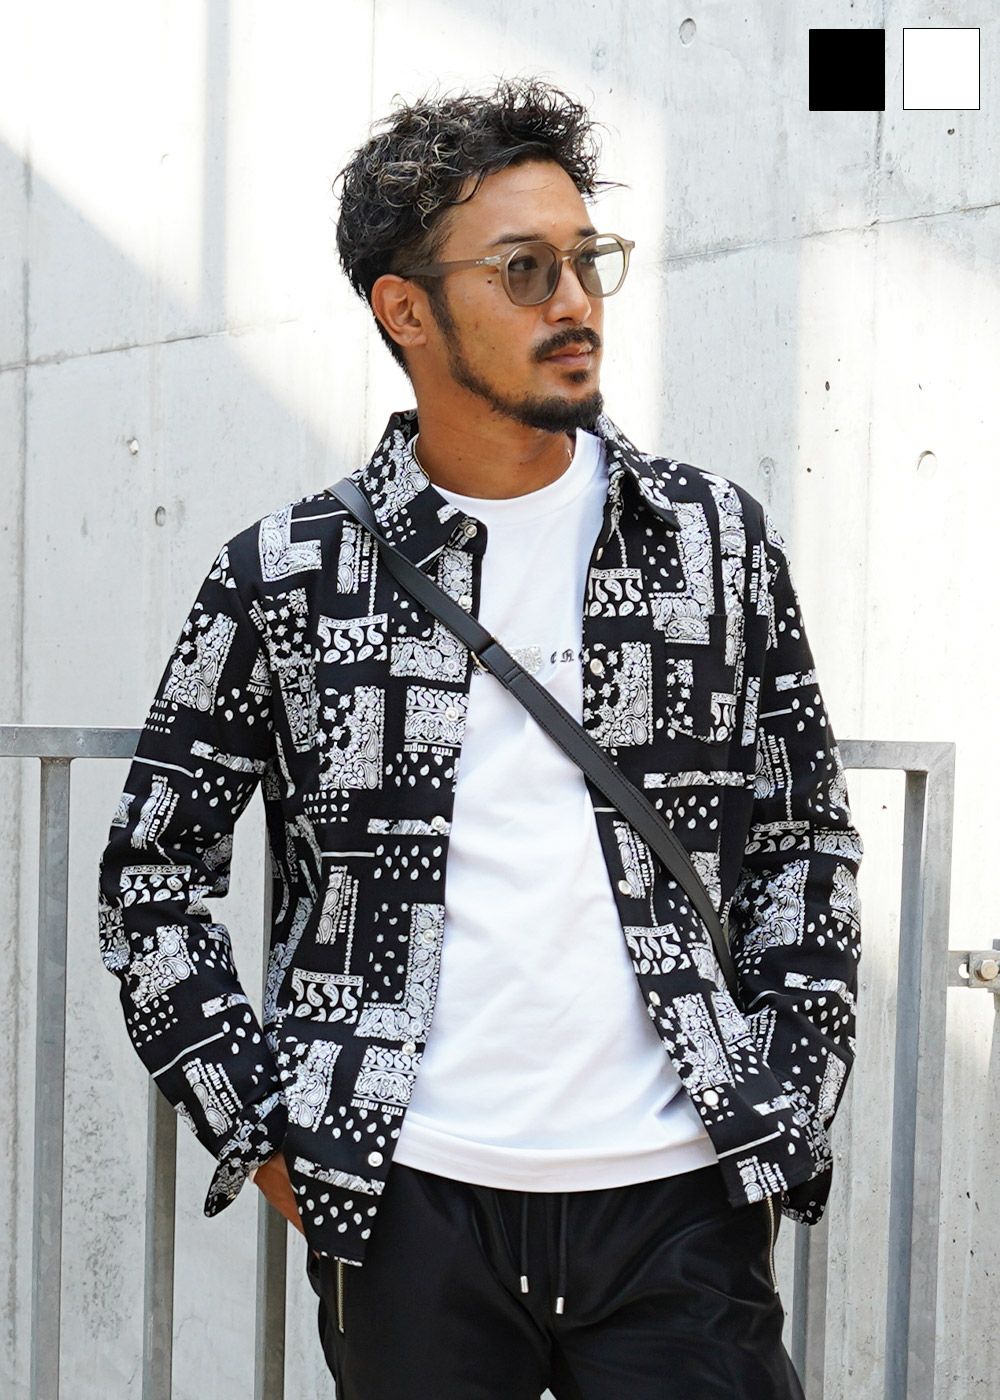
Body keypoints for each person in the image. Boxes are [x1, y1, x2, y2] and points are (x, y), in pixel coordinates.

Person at [98, 76, 863, 1398]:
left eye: (587, 259)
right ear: (407, 310)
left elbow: (805, 837)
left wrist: (789, 1081)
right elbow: (151, 878)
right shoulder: (289, 576)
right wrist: (266, 1128)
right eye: (523, 269)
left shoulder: (711, 542)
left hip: (679, 1199)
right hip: (410, 1203)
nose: (575, 301)